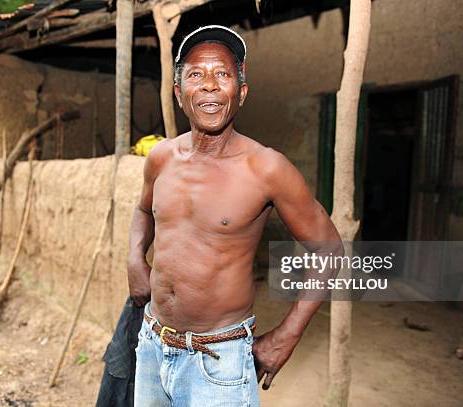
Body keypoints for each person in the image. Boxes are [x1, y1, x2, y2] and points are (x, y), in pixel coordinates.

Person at [129, 25, 343, 406]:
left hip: (219, 361)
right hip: (152, 344)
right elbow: (143, 209)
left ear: (240, 93)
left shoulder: (267, 168)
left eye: (223, 74)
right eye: (195, 74)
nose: (209, 85)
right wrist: (134, 257)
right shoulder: (161, 158)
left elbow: (329, 249)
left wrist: (287, 334)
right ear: (180, 93)